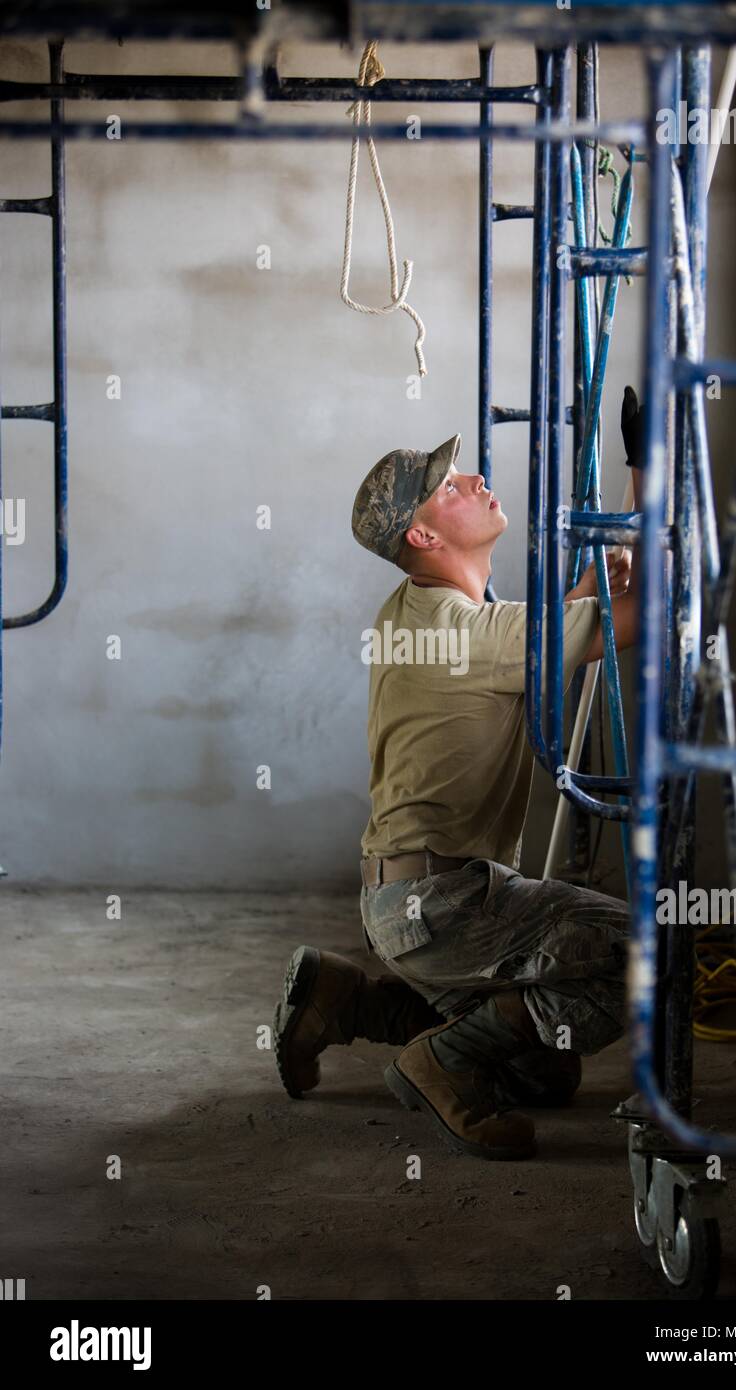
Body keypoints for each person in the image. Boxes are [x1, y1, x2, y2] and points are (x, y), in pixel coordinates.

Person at [274, 389, 646, 1161]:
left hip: (405, 901)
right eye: (449, 488)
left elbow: (525, 638)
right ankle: (439, 1063)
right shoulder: (473, 633)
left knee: (547, 1068)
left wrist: (587, 593)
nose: (474, 480)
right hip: (444, 905)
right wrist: (647, 472)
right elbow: (638, 617)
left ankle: (349, 1003)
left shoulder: (416, 610)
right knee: (637, 952)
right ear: (421, 532)